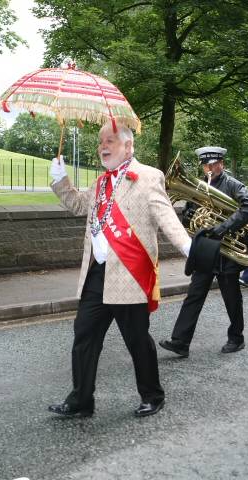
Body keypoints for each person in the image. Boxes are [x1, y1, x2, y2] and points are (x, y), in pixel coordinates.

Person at [48, 122, 191, 418]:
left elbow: (167, 219)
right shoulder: (101, 182)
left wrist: (189, 248)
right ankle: (81, 401)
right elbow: (77, 205)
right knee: (84, 336)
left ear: (128, 146)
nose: (103, 146)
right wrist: (61, 180)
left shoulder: (150, 177)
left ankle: (153, 395)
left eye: (110, 140)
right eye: (101, 141)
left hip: (130, 274)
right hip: (97, 274)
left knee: (137, 339)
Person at [160, 146, 248, 358]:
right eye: (206, 164)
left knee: (231, 298)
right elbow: (190, 216)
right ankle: (180, 342)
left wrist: (222, 228)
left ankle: (236, 338)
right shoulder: (199, 186)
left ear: (222, 164)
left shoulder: (233, 185)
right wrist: (190, 214)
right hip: (206, 250)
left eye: (214, 164)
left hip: (227, 253)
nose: (210, 168)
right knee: (194, 294)